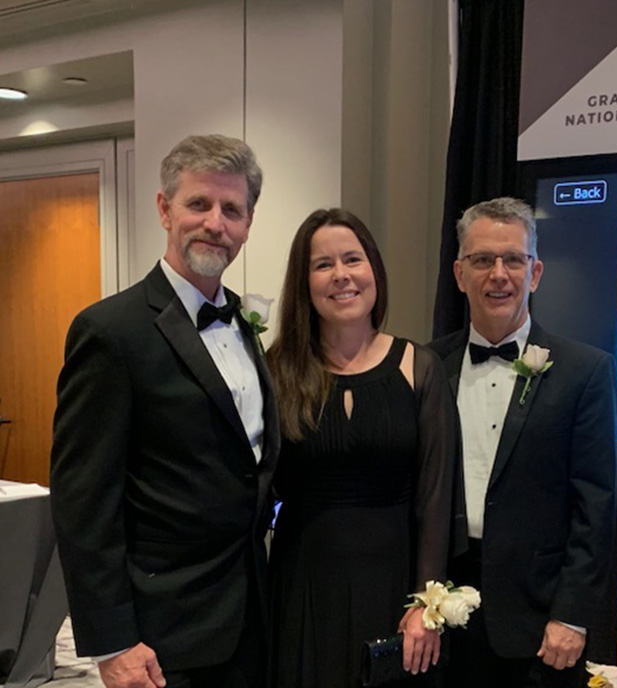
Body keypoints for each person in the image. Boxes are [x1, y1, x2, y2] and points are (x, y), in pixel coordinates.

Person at [51, 134, 277, 688]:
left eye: (232, 210)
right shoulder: (110, 331)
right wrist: (114, 641)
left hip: (252, 615)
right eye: (198, 204)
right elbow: (84, 503)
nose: (215, 223)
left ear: (248, 223)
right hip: (160, 633)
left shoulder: (247, 328)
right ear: (164, 209)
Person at [428, 197, 617, 687]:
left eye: (513, 259)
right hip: (442, 614)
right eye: (482, 260)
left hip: (539, 625)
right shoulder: (427, 364)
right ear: (459, 273)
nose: (499, 274)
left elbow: (595, 506)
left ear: (534, 273)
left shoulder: (585, 371)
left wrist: (572, 616)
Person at [266, 208, 457, 688]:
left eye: (352, 259)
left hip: (395, 590)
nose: (341, 276)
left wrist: (426, 607)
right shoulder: (277, 371)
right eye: (322, 264)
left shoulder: (420, 366)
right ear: (304, 282)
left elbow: (436, 499)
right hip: (302, 586)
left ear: (374, 270)